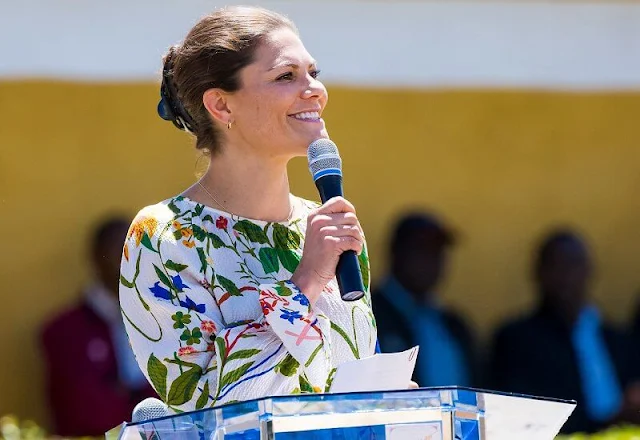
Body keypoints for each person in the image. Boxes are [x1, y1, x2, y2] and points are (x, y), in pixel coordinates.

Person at [119, 6, 380, 413]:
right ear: (222, 105)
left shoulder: (329, 228)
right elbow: (203, 407)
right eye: (286, 76)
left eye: (314, 72)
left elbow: (349, 384)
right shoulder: (164, 236)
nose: (314, 90)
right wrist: (306, 281)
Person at [488, 229, 640, 434]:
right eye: (556, 266)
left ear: (589, 270)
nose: (566, 275)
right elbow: (523, 416)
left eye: (573, 265)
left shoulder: (617, 339)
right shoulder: (517, 340)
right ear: (538, 273)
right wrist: (610, 420)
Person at [41, 217, 156, 437]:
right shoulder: (63, 332)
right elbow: (85, 413)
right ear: (96, 257)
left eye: (137, 247)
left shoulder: (165, 318)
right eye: (118, 248)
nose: (128, 257)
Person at [373, 212, 478, 388]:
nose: (431, 260)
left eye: (437, 251)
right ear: (396, 252)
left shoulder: (454, 325)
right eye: (421, 248)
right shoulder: (368, 315)